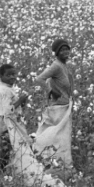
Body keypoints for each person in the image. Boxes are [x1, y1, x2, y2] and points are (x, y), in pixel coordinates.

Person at [0, 63, 65, 187]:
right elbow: (7, 111)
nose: (12, 77)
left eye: (14, 74)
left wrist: (21, 102)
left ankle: (6, 176)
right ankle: (0, 175)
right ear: (1, 76)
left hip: (13, 124)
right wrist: (20, 100)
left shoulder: (8, 88)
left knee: (14, 151)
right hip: (7, 126)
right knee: (8, 150)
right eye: (8, 75)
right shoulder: (4, 90)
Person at [31, 39, 75, 169]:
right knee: (57, 138)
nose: (65, 52)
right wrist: (51, 91)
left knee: (61, 139)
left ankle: (60, 165)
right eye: (62, 50)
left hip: (65, 106)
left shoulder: (64, 66)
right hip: (58, 108)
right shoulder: (56, 66)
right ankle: (53, 164)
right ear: (56, 52)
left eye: (67, 49)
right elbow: (39, 79)